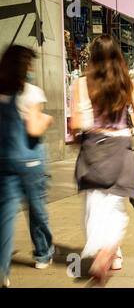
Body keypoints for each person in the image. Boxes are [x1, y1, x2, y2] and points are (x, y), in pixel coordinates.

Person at [70, 35, 134, 283]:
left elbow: (75, 124)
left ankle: (104, 249)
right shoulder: (126, 83)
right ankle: (110, 251)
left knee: (95, 203)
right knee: (115, 203)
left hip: (93, 147)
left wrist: (80, 140)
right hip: (120, 146)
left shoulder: (81, 84)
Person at [0, 45, 54, 288]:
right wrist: (47, 119)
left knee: (5, 216)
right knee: (37, 210)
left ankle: (2, 268)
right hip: (31, 161)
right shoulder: (32, 92)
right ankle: (43, 253)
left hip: (5, 161)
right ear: (25, 66)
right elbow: (34, 129)